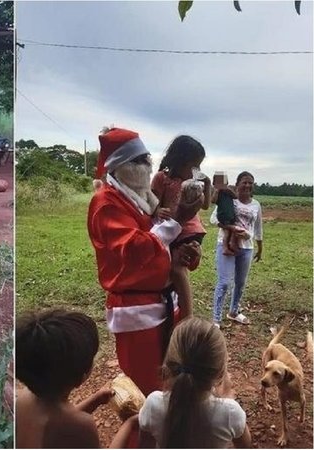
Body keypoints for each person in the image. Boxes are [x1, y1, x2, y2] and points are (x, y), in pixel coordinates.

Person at [88, 126, 202, 399]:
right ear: (121, 166)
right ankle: (144, 438)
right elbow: (134, 248)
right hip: (137, 313)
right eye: (140, 162)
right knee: (146, 390)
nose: (147, 168)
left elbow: (154, 244)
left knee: (169, 378)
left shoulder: (137, 200)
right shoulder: (106, 202)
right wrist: (178, 220)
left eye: (148, 160)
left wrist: (179, 254)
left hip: (162, 302)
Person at [15, 308, 139, 448]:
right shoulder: (82, 426)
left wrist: (96, 399)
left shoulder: (20, 399)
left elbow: (62, 421)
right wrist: (129, 425)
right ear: (83, 377)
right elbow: (68, 423)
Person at [138, 316, 252, 448]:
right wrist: (225, 398)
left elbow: (144, 445)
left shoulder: (153, 404)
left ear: (169, 366)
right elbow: (245, 445)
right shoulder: (230, 413)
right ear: (220, 373)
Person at [151, 135, 212, 320]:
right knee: (170, 272)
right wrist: (158, 211)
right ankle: (175, 309)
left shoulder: (194, 184)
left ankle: (187, 318)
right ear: (180, 161)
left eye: (199, 166)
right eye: (194, 166)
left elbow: (206, 206)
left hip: (191, 231)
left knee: (178, 268)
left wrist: (207, 185)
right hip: (170, 231)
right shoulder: (162, 178)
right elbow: (152, 205)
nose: (197, 171)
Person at [211, 171, 263, 326]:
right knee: (224, 282)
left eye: (250, 183)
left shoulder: (256, 205)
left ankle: (234, 311)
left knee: (240, 283)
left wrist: (260, 248)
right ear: (238, 183)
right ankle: (216, 318)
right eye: (244, 182)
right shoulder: (229, 199)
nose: (247, 185)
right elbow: (214, 219)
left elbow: (258, 228)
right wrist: (232, 228)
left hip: (247, 248)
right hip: (225, 244)